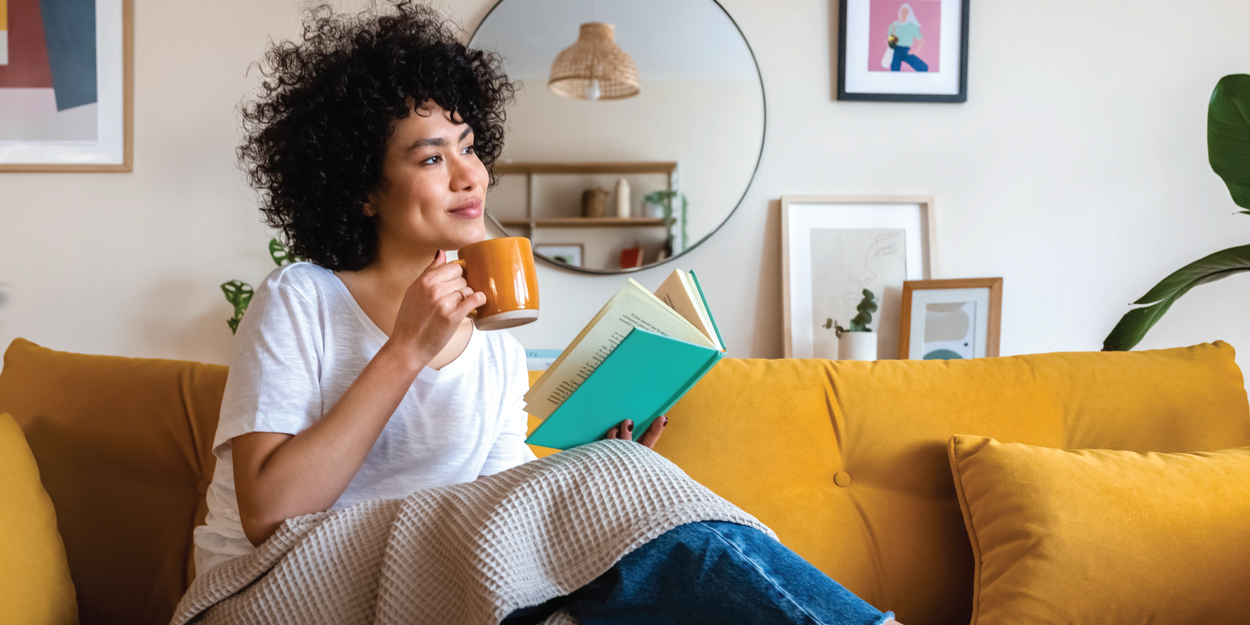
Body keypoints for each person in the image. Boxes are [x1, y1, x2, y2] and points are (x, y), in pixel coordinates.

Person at [191, 2, 898, 623]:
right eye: (432, 158)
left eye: (469, 148)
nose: (471, 175)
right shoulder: (302, 298)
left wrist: (604, 465)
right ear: (362, 188)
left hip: (418, 587)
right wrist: (405, 350)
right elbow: (269, 514)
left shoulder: (492, 335)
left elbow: (502, 517)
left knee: (608, 559)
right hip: (270, 591)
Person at [888, 4, 928, 72]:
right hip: (896, 51)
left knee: (924, 67)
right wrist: (893, 36)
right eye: (903, 11)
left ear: (909, 13)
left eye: (906, 11)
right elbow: (891, 44)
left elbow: (922, 41)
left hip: (906, 51)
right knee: (894, 72)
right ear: (900, 12)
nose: (904, 13)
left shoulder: (912, 26)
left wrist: (915, 52)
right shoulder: (893, 25)